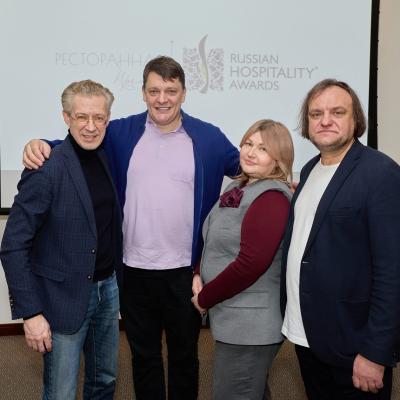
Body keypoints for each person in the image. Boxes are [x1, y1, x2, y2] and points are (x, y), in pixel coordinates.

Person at [22, 56, 240, 400]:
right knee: (144, 357)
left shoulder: (209, 137)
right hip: (133, 272)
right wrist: (42, 145)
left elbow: (248, 167)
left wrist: (280, 180)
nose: (162, 99)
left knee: (185, 358)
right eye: (154, 90)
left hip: (185, 274)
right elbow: (79, 141)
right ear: (143, 92)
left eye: (171, 90)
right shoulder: (121, 132)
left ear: (184, 93)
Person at [1, 80, 122, 399]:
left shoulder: (106, 157)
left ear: (108, 119)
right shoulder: (46, 167)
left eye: (99, 117)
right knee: (61, 392)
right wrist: (31, 313)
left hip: (107, 291)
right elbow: (13, 246)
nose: (91, 126)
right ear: (66, 117)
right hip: (61, 299)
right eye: (82, 117)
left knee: (104, 380)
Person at [281, 79, 400, 399]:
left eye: (337, 112)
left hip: (353, 343)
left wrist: (375, 352)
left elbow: (392, 273)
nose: (325, 120)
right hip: (308, 335)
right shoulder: (309, 170)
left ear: (355, 119)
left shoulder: (380, 173)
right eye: (316, 114)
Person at [192, 119, 293, 399]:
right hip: (235, 319)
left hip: (252, 327)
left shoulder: (272, 199)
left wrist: (205, 298)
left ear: (279, 160)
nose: (250, 152)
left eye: (263, 149)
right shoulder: (238, 187)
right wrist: (198, 272)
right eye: (248, 143)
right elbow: (214, 235)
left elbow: (251, 264)